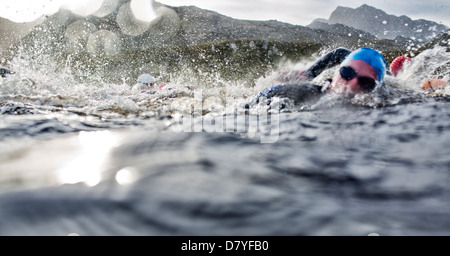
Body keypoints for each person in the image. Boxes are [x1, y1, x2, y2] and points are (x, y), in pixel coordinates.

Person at [251, 47, 388, 105]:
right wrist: (309, 74)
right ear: (337, 72)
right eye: (347, 73)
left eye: (366, 83)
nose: (352, 84)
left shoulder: (381, 104)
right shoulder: (303, 91)